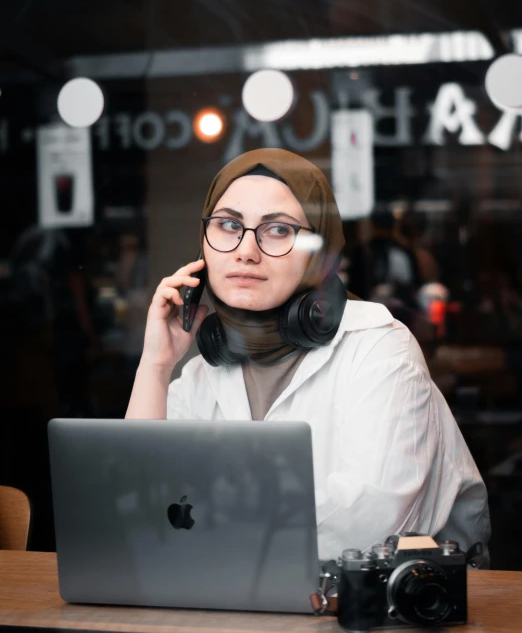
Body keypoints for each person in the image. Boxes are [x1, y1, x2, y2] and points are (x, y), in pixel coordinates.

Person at [126, 149, 491, 566]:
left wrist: (204, 531)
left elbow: (371, 521)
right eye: (228, 225)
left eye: (278, 230)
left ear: (319, 252)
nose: (246, 251)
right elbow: (138, 506)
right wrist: (155, 365)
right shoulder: (202, 370)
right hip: (243, 596)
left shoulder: (379, 348)